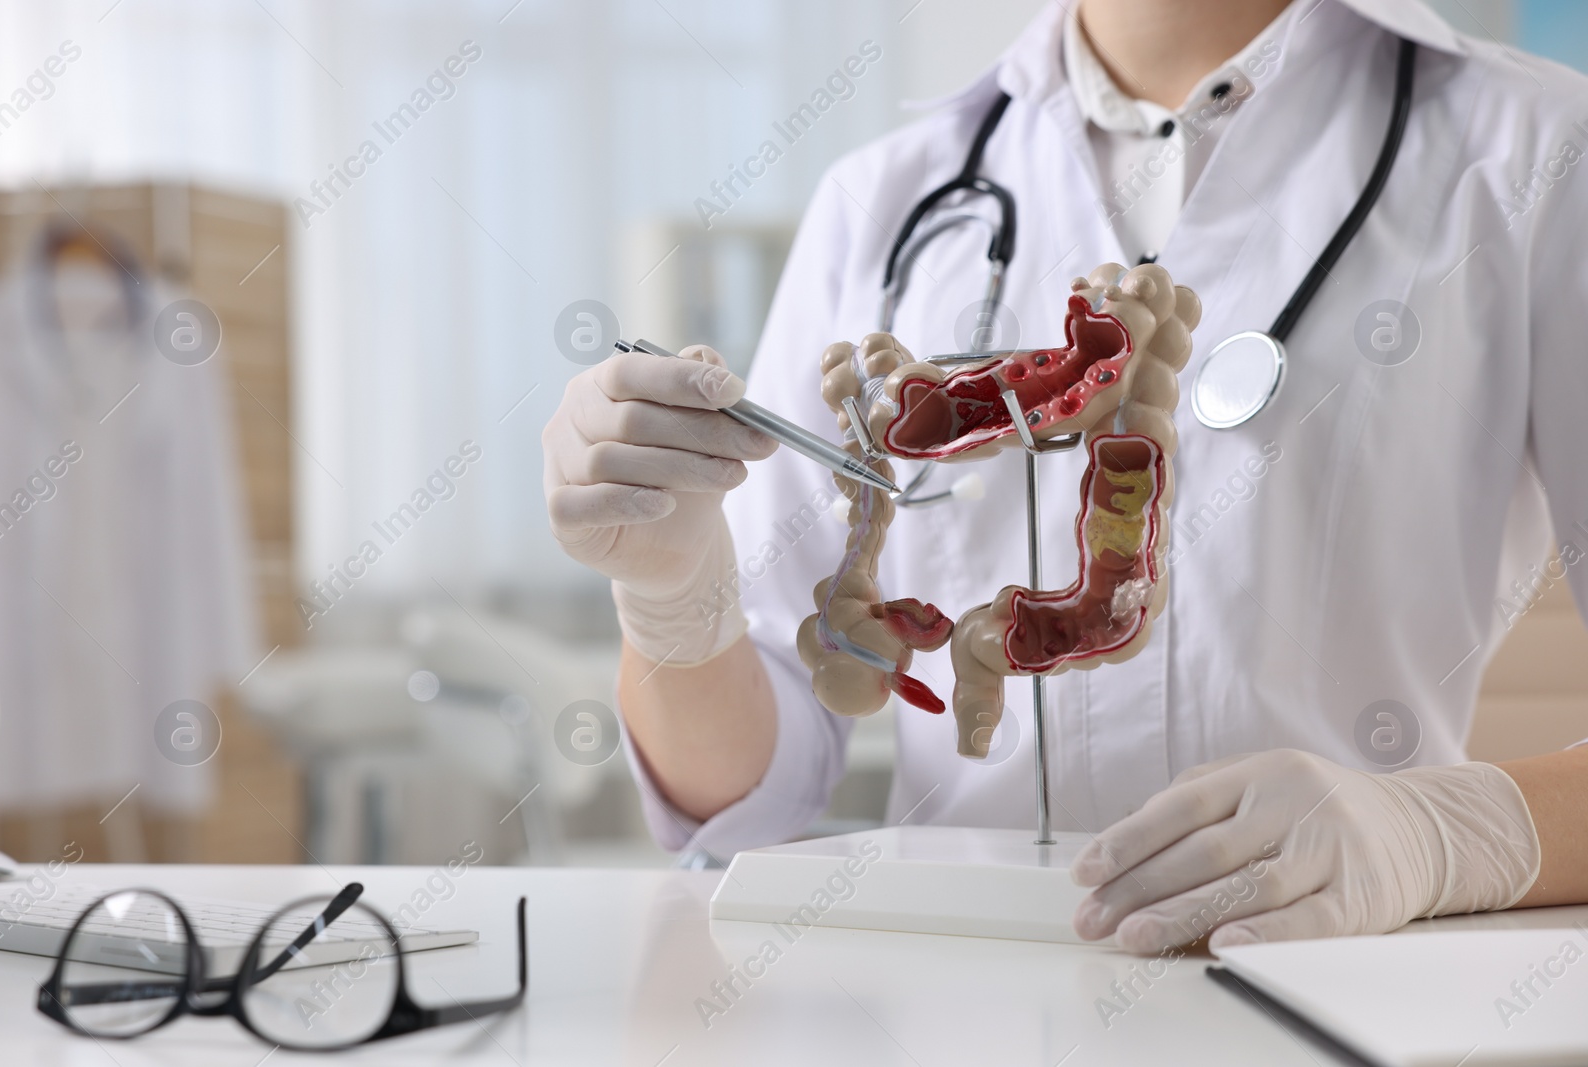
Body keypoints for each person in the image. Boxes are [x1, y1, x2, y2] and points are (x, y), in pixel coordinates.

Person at [543, 0, 1588, 954]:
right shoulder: (885, 197)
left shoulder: (1540, 151)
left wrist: (1444, 834)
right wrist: (676, 597)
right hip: (959, 999)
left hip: (1335, 984)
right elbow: (747, 796)